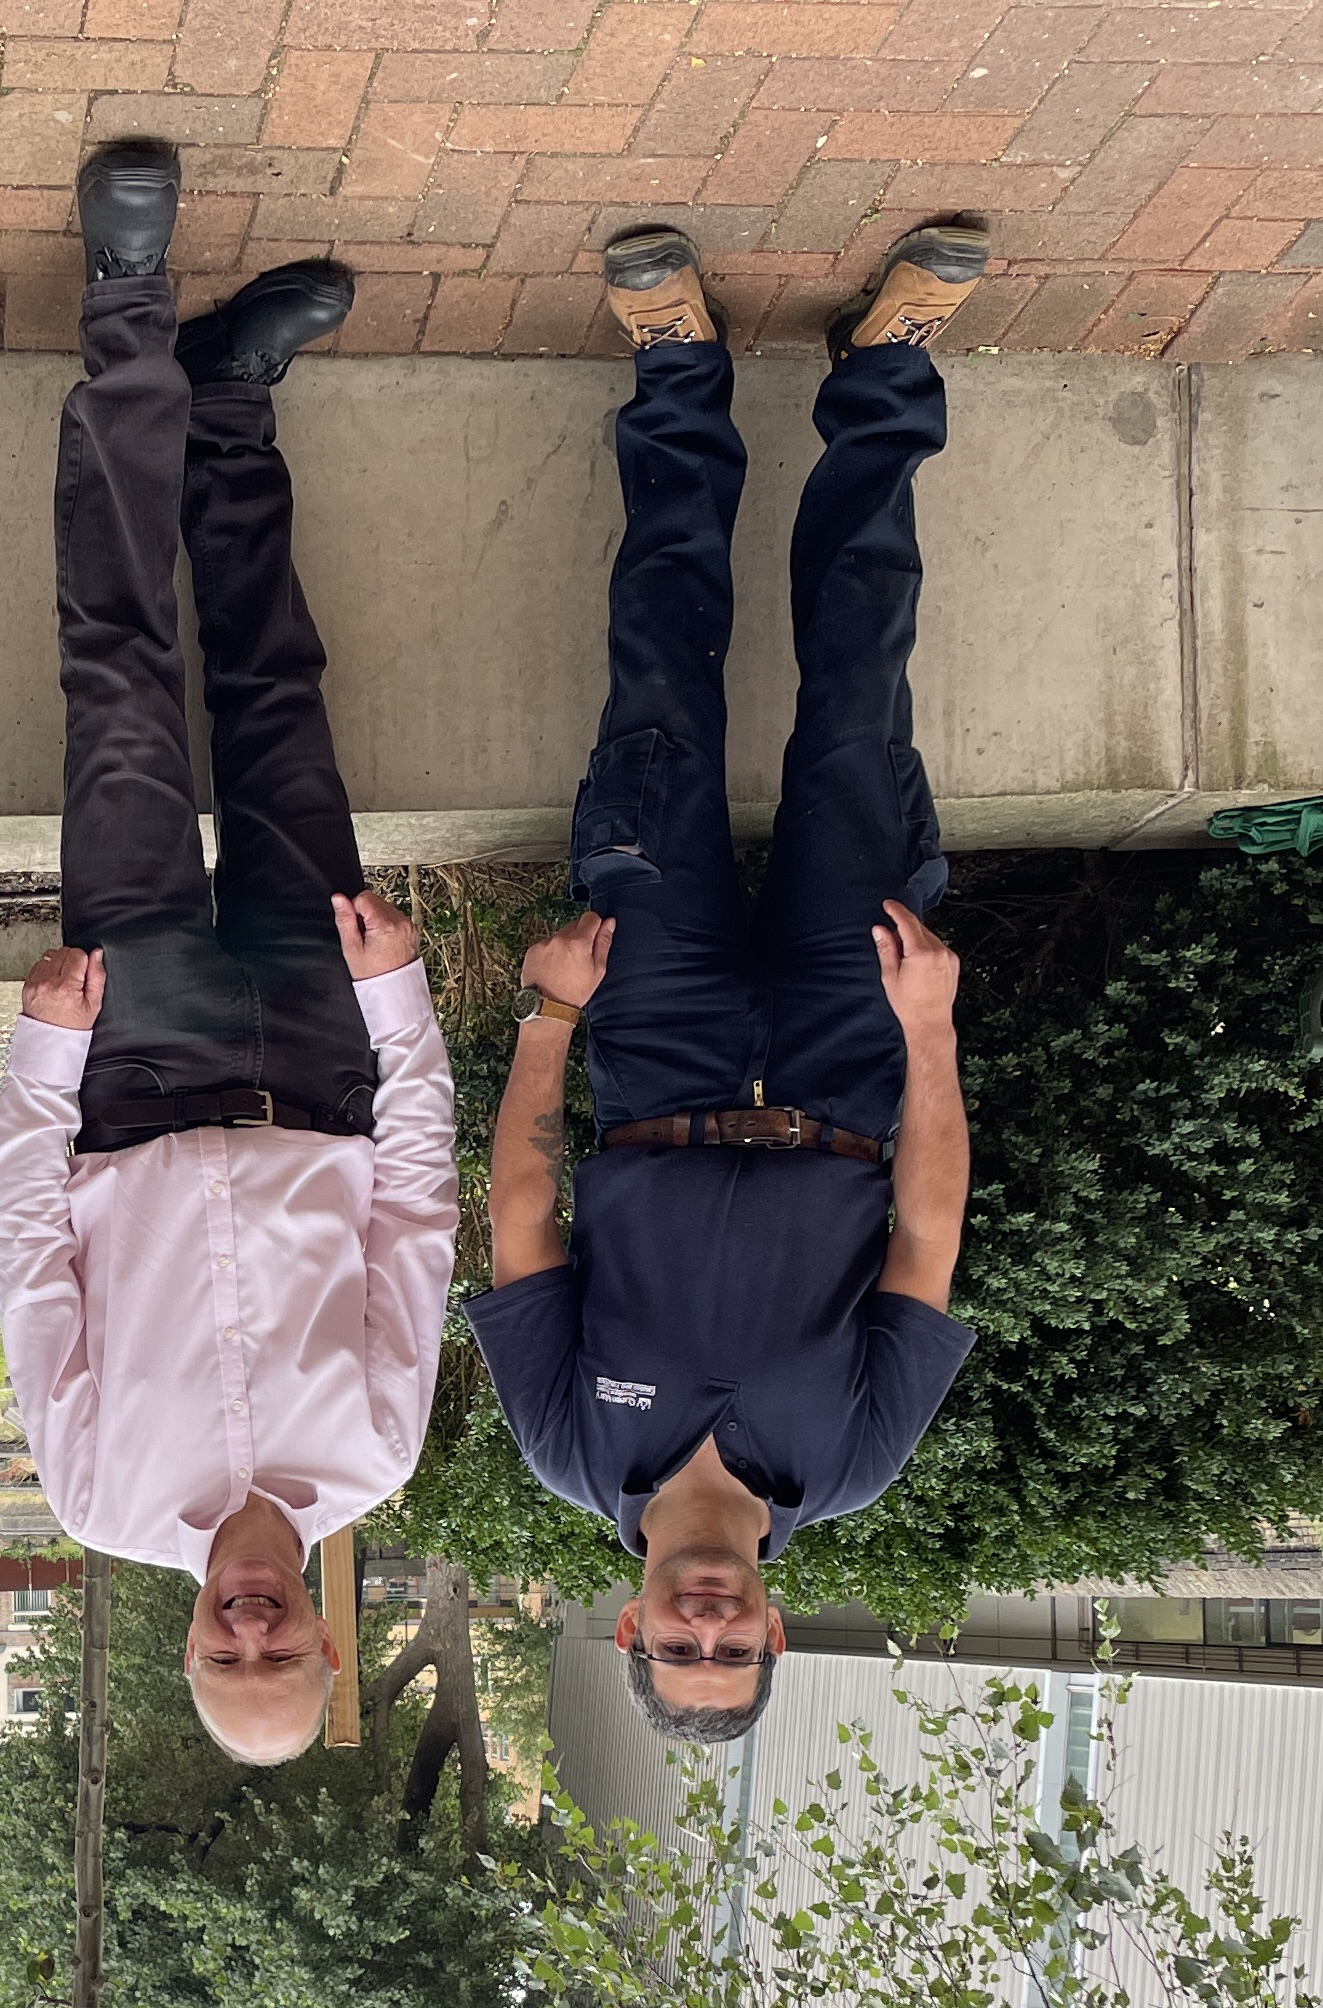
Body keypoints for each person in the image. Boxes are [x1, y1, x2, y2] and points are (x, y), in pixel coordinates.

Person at [468, 217, 992, 1748]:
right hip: (848, 1056)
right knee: (856, 712)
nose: (707, 1627)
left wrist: (552, 1015)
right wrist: (931, 1033)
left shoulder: (572, 1451)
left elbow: (518, 1213)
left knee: (659, 702)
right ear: (772, 1627)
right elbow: (928, 1225)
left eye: (678, 1652)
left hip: (653, 1044)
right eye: (735, 1649)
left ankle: (680, 375)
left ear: (630, 1623)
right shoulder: (853, 1460)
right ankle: (886, 380)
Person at [0, 137, 460, 1768]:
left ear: (186, 1635)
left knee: (117, 684)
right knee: (277, 705)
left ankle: (128, 309)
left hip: (130, 1063)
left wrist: (46, 1056)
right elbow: (414, 1211)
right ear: (328, 1637)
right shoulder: (382, 1455)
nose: (248, 1625)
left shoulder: (97, 1493)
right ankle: (235, 408)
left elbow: (26, 1258)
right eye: (279, 1651)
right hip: (325, 1053)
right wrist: (399, 1004)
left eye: (220, 1649)